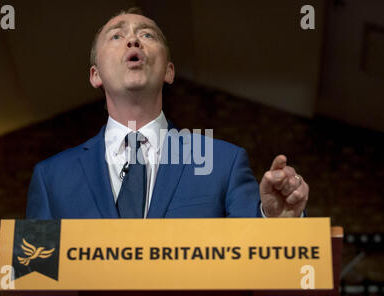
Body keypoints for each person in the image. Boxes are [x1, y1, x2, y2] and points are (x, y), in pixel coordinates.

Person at [26, 8, 309, 220]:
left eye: (147, 35)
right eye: (117, 35)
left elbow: (254, 261)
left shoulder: (224, 163)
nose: (133, 41)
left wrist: (277, 222)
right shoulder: (51, 177)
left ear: (169, 72)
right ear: (95, 75)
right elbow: (35, 280)